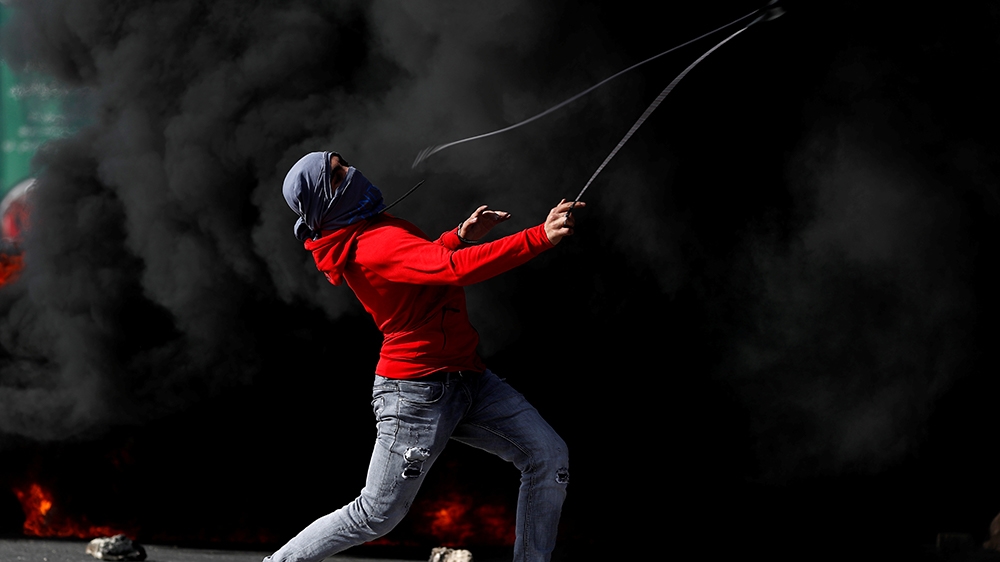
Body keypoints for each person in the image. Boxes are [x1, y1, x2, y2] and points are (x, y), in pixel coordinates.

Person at [266, 151, 583, 562]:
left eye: (344, 163)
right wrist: (540, 236)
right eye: (338, 173)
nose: (353, 171)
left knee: (547, 456)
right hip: (416, 394)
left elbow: (424, 268)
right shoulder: (370, 243)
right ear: (325, 202)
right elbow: (452, 270)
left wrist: (458, 237)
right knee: (375, 516)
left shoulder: (377, 231)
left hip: (467, 379)